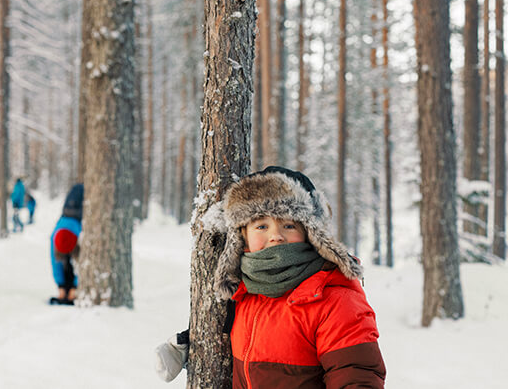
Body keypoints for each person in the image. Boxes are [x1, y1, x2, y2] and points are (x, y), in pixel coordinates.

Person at [155, 166, 386, 388]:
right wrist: (191, 345)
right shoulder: (243, 294)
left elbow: (356, 376)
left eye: (288, 225)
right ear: (242, 235)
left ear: (311, 233)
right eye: (262, 226)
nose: (276, 236)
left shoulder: (333, 299)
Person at [49, 183, 83, 305]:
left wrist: (75, 286)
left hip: (78, 209)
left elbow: (82, 262)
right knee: (66, 263)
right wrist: (61, 285)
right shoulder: (54, 238)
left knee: (70, 263)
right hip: (69, 211)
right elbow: (55, 262)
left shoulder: (81, 234)